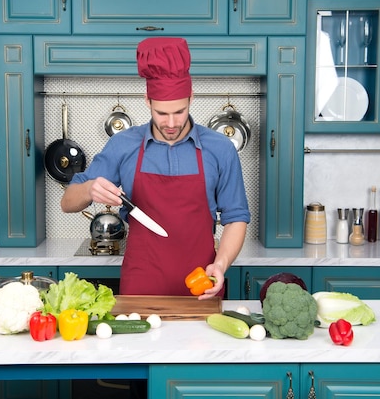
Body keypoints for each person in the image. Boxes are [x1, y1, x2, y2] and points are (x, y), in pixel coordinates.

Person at [61, 37, 250, 299]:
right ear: (147, 100)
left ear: (191, 98)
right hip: (141, 287)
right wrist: (90, 189)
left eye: (179, 111)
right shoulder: (122, 145)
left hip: (202, 285)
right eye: (162, 113)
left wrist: (221, 264)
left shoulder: (220, 149)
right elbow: (68, 202)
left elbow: (236, 217)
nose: (171, 123)